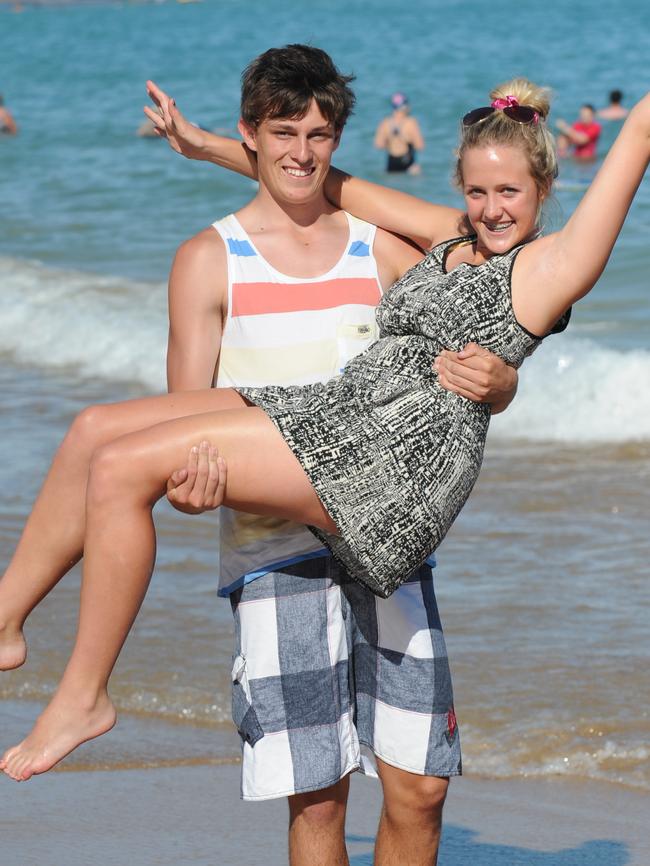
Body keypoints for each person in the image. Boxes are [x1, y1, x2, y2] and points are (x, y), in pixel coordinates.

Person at [3, 67, 648, 838]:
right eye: (477, 191)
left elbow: (637, 133)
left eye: (510, 193)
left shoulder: (550, 271)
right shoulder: (449, 238)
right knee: (97, 432)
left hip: (394, 468)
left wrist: (503, 381)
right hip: (342, 412)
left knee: (118, 469)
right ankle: (5, 622)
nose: (491, 209)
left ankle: (83, 695)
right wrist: (208, 145)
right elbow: (317, 180)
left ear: (544, 192)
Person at [374, 92, 424, 174]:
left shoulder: (385, 123)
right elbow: (420, 146)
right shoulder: (411, 123)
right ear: (405, 106)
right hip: (409, 163)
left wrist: (391, 141)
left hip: (391, 164)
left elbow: (379, 145)